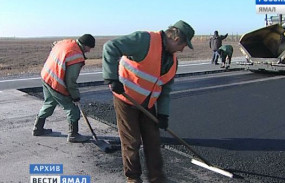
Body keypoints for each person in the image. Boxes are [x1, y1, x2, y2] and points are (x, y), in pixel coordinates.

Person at [102, 20, 195, 183]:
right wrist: (111, 78)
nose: (182, 49)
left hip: (147, 104)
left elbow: (165, 91)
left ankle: (157, 178)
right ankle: (133, 178)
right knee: (132, 141)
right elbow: (110, 47)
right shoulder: (144, 40)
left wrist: (164, 115)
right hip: (126, 98)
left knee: (153, 140)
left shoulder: (172, 62)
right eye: (183, 45)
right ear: (175, 38)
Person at [33, 34, 96, 143]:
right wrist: (75, 97)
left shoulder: (66, 42)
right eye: (89, 48)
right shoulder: (76, 55)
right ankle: (73, 135)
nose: (89, 51)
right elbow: (70, 81)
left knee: (49, 103)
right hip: (56, 82)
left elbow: (54, 44)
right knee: (72, 108)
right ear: (85, 45)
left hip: (46, 76)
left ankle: (37, 128)